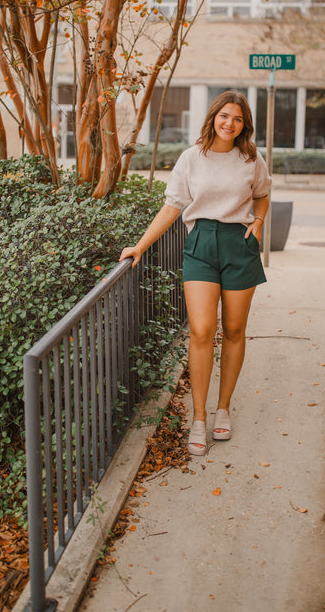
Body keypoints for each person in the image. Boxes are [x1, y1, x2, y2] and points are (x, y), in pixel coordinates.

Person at [119, 90, 271, 455]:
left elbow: (263, 193)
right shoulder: (192, 158)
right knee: (202, 330)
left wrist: (260, 221)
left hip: (239, 244)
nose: (229, 124)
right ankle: (199, 418)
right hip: (201, 243)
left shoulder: (251, 158)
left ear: (244, 124)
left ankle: (223, 410)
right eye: (224, 116)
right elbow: (172, 207)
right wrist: (140, 246)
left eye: (237, 119)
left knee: (234, 330)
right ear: (213, 117)